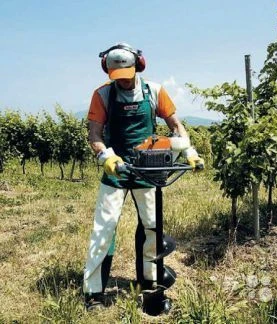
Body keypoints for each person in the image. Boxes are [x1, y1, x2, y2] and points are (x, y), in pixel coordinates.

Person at [83, 42, 204, 310]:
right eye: (118, 79)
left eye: (127, 77)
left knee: (152, 227)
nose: (123, 83)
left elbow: (176, 127)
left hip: (147, 169)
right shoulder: (102, 95)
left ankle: (149, 283)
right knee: (104, 229)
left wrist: (189, 151)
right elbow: (94, 134)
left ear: (138, 66)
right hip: (116, 170)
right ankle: (94, 292)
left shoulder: (155, 92)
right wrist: (106, 157)